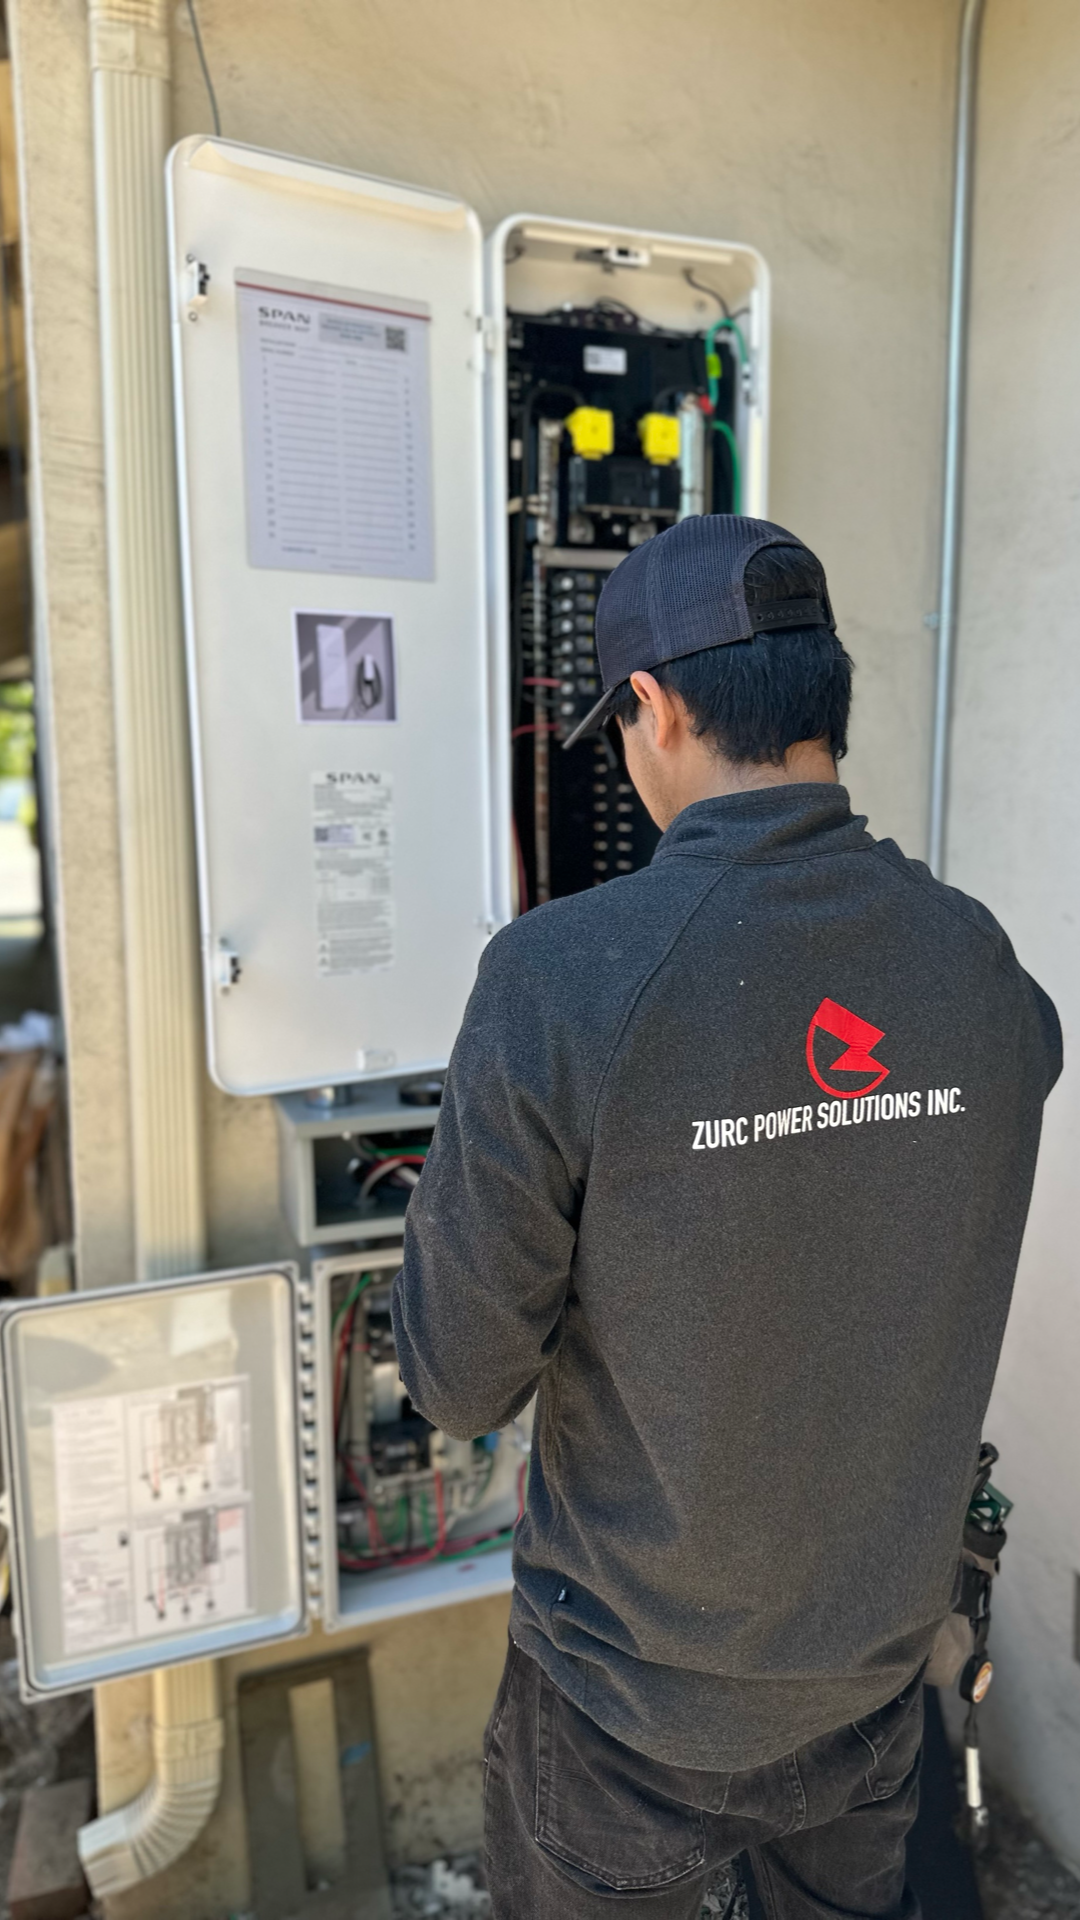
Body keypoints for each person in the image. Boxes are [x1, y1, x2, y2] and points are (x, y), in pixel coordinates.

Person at [391, 516, 1062, 1920]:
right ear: (826, 699)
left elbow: (457, 1382)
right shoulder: (982, 969)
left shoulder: (556, 984)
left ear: (654, 706)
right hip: (872, 1687)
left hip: (625, 1713)